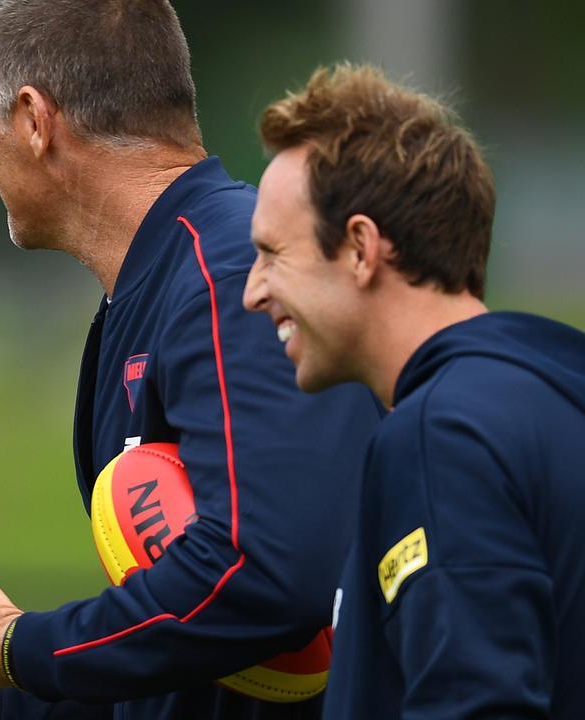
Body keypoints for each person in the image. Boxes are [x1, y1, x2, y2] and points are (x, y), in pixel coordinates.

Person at [0, 1, 383, 717]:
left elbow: (268, 570)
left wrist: (18, 647)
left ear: (32, 121)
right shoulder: (152, 285)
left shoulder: (228, 272)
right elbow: (173, 661)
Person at [242, 63, 585, 718]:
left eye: (271, 253)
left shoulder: (439, 435)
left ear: (361, 248)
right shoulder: (555, 394)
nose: (252, 291)